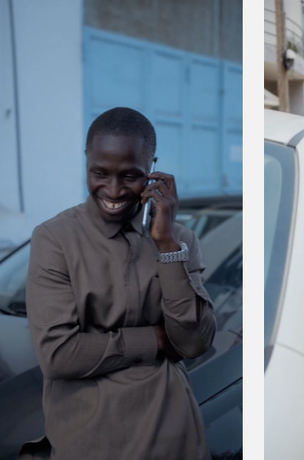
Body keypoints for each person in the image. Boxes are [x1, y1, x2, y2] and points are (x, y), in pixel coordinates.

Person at [22, 107, 216, 459]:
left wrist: (167, 246)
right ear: (86, 160)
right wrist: (156, 338)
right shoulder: (54, 238)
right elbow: (58, 356)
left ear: (152, 168)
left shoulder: (180, 239)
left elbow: (193, 342)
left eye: (130, 176)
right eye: (99, 173)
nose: (112, 190)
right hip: (90, 441)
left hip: (173, 437)